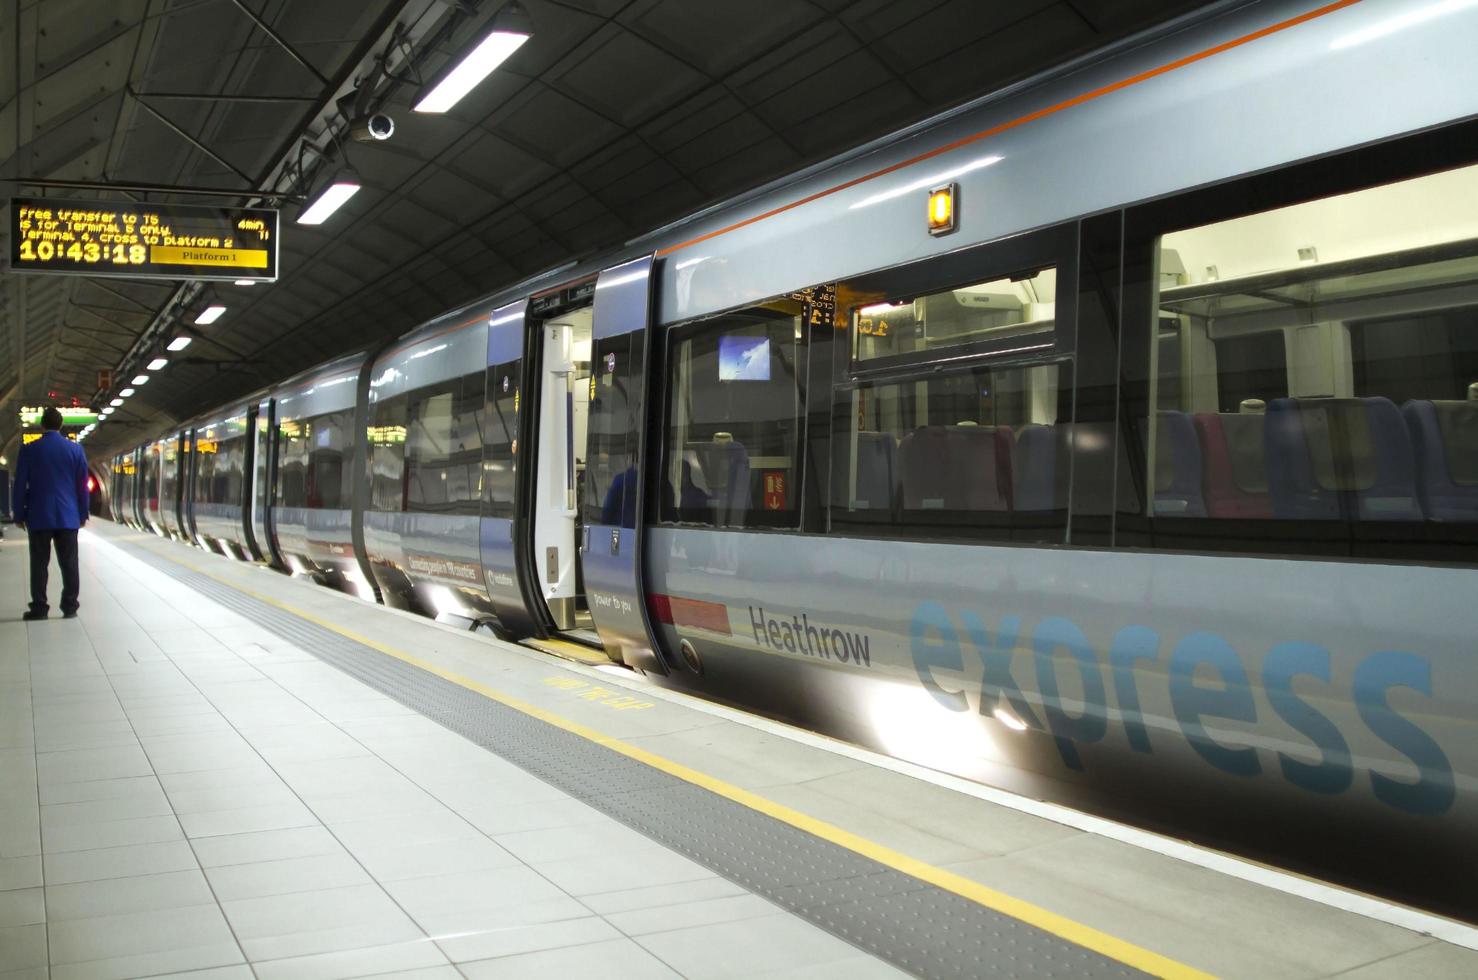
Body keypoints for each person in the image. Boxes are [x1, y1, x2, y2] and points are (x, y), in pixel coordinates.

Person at [12, 407, 90, 620]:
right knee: (70, 564)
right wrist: (83, 513)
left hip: (38, 516)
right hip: (68, 516)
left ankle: (39, 607)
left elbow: (19, 485)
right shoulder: (75, 450)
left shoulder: (29, 450)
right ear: (61, 425)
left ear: (42, 425)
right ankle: (70, 607)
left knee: (39, 564)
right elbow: (82, 486)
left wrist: (18, 514)